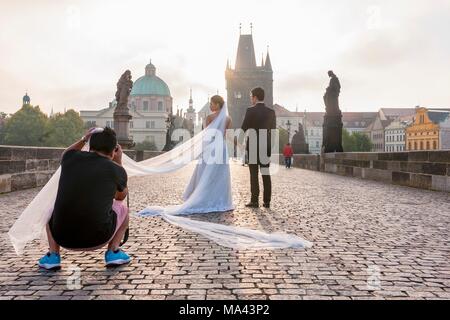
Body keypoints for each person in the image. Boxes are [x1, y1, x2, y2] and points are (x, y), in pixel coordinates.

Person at [38, 127, 131, 270]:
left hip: (62, 237)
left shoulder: (70, 158)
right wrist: (118, 163)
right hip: (98, 238)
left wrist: (84, 139)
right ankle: (113, 252)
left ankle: (53, 255)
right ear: (114, 149)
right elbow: (120, 197)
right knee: (124, 209)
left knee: (50, 208)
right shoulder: (116, 169)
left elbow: (66, 153)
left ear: (90, 145)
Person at [241, 87, 276, 209]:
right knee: (266, 174)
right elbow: (273, 132)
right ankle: (267, 202)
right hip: (265, 146)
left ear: (255, 97)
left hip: (253, 146)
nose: (251, 99)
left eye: (251, 96)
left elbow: (244, 128)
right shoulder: (271, 112)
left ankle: (254, 201)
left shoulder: (250, 111)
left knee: (254, 174)